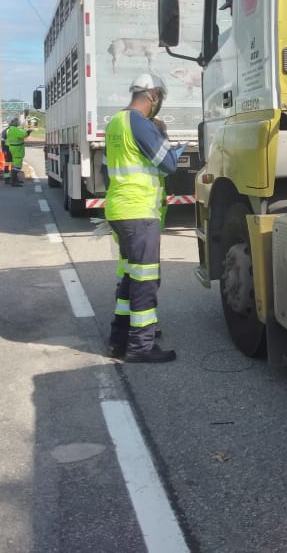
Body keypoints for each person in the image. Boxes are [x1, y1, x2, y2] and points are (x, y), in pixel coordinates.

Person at [104, 73, 185, 363]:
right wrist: (175, 148)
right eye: (159, 98)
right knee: (145, 281)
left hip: (120, 210)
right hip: (139, 213)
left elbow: (107, 168)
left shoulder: (116, 121)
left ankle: (119, 338)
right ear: (153, 95)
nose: (157, 104)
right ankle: (140, 347)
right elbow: (169, 163)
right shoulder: (140, 123)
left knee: (129, 278)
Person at [5, 115, 32, 187]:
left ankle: (15, 181)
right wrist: (28, 132)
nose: (17, 121)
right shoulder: (14, 129)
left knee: (15, 166)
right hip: (17, 150)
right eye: (16, 120)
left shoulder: (11, 129)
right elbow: (23, 135)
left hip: (14, 149)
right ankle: (14, 182)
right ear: (12, 122)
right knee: (17, 167)